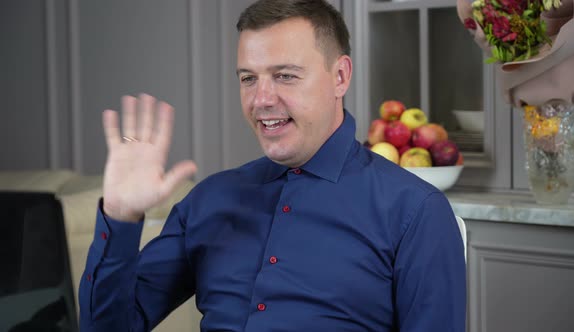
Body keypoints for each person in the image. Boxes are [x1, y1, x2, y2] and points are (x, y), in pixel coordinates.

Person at [79, 0, 466, 331]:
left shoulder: (416, 211)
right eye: (249, 78)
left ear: (340, 76)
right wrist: (121, 215)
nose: (261, 99)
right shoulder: (211, 199)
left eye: (285, 76)